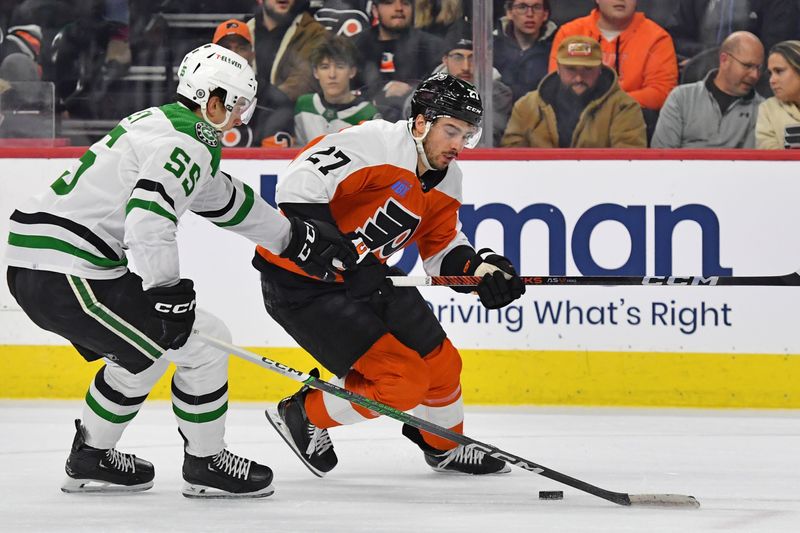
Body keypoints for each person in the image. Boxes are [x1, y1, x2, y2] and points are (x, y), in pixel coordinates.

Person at [3, 43, 357, 498]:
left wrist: (294, 239)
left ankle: (91, 457)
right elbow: (148, 217)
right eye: (238, 107)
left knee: (143, 353)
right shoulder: (187, 141)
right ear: (213, 101)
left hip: (47, 264)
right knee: (205, 343)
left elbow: (225, 199)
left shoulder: (165, 124)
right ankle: (206, 462)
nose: (241, 120)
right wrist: (165, 289)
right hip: (68, 270)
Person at [253, 73, 526, 477]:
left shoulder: (448, 177)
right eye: (451, 130)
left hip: (369, 277)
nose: (458, 144)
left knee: (443, 364)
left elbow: (441, 248)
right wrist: (342, 258)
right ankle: (303, 413)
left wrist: (480, 270)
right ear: (420, 122)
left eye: (467, 134)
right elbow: (298, 185)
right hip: (301, 284)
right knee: (401, 382)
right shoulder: (374, 144)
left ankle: (444, 447)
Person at [502, 35, 646, 148]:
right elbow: (511, 159)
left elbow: (628, 164)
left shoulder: (624, 108)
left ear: (600, 69)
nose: (578, 78)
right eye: (571, 69)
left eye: (587, 69)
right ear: (558, 68)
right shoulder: (527, 106)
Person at [548, 0, 677, 112]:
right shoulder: (570, 33)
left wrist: (609, 104)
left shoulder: (657, 38)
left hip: (631, 118)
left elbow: (661, 92)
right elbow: (555, 83)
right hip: (576, 115)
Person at [652, 31, 765, 148]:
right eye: (747, 66)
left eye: (758, 68)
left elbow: (751, 163)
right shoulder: (681, 97)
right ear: (724, 60)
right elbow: (661, 155)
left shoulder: (762, 109)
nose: (755, 75)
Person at [404, 34, 513, 145]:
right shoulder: (425, 93)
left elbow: (488, 138)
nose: (465, 67)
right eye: (458, 57)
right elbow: (417, 136)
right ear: (445, 60)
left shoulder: (498, 93)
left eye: (472, 58)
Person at [247, 0, 329, 146]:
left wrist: (259, 95)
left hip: (289, 127)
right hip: (241, 124)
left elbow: (303, 82)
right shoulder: (242, 31)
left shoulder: (315, 33)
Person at [353, 0, 445, 121]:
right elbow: (344, 92)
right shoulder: (356, 46)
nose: (399, 8)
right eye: (389, 3)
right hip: (364, 124)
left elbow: (441, 94)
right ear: (375, 10)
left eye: (405, 3)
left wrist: (412, 91)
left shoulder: (432, 46)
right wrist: (383, 89)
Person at [294, 35, 380, 146]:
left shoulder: (367, 114)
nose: (332, 75)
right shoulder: (304, 105)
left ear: (352, 71)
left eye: (340, 66)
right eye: (324, 67)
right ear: (315, 72)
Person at [666, 0, 798, 67]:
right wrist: (703, 58)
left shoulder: (781, 3)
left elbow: (775, 50)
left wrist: (709, 61)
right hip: (697, 75)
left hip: (754, 83)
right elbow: (675, 38)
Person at [494, 0, 558, 103]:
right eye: (522, 7)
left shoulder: (556, 47)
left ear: (545, 14)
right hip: (498, 114)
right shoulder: (492, 45)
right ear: (509, 12)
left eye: (536, 7)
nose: (530, 14)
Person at [212, 18, 261, 147]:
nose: (233, 55)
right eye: (226, 48)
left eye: (241, 48)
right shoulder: (192, 95)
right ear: (211, 54)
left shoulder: (273, 100)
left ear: (252, 54)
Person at [756, 40, 800, 148]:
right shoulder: (768, 109)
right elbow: (770, 158)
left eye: (779, 71)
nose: (772, 80)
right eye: (770, 73)